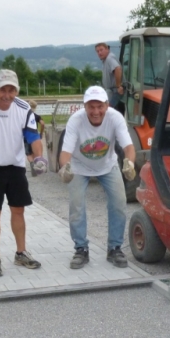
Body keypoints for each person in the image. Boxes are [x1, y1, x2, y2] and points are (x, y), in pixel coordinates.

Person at [0, 69, 48, 277]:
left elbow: (33, 137)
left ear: (17, 90)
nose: (7, 95)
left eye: (11, 90)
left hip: (15, 166)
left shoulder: (24, 109)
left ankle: (21, 252)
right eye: (2, 89)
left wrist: (39, 158)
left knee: (18, 210)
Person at [58, 86, 136, 269]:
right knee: (76, 206)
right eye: (91, 107)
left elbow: (129, 147)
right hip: (79, 166)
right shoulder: (75, 121)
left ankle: (114, 248)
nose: (95, 111)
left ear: (107, 105)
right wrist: (65, 167)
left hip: (108, 165)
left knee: (119, 203)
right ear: (84, 106)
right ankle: (81, 249)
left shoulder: (115, 117)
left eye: (99, 106)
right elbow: (65, 151)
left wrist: (130, 163)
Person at [95, 42, 123, 108]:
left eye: (101, 50)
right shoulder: (106, 60)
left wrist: (118, 86)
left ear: (107, 49)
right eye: (97, 51)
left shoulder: (109, 58)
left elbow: (117, 68)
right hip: (111, 92)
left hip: (115, 92)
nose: (99, 53)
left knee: (108, 110)